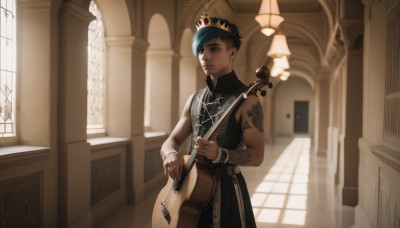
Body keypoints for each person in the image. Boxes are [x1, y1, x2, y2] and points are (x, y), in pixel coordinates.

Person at [160, 13, 265, 228]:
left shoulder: (248, 100)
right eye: (200, 50)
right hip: (189, 190)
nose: (205, 56)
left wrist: (221, 154)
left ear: (232, 53)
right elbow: (171, 141)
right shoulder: (194, 99)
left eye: (214, 49)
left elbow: (257, 156)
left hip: (226, 193)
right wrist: (170, 154)